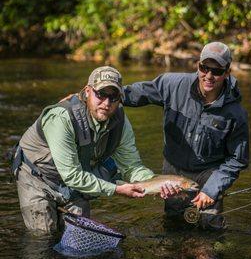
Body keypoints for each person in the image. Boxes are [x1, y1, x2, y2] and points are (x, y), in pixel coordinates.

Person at [14, 66, 176, 234]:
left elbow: (131, 167)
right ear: (88, 91)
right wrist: (116, 189)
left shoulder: (120, 122)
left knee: (78, 233)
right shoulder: (62, 118)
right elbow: (71, 175)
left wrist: (156, 183)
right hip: (37, 177)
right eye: (101, 94)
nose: (106, 103)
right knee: (43, 237)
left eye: (113, 97)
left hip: (76, 180)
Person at [123, 42, 249, 230]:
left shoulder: (235, 113)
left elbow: (237, 160)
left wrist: (212, 189)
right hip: (173, 169)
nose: (208, 76)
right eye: (204, 68)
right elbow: (132, 94)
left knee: (209, 230)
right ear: (197, 65)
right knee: (173, 225)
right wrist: (89, 95)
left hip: (209, 173)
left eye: (216, 71)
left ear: (227, 72)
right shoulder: (172, 85)